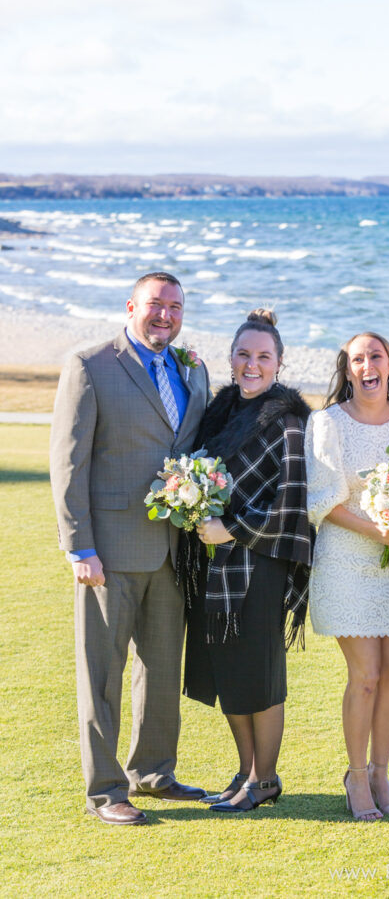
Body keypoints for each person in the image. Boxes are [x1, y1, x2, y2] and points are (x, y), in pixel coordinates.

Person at [49, 272, 211, 825]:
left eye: (175, 306)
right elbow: (68, 463)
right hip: (109, 551)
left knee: (162, 669)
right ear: (131, 307)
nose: (164, 314)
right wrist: (79, 548)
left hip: (173, 550)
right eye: (155, 304)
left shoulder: (194, 369)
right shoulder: (91, 365)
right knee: (102, 671)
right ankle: (105, 790)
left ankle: (154, 772)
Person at [180, 309, 313, 813]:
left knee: (259, 671)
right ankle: (244, 771)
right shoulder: (218, 413)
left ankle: (265, 779)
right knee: (227, 666)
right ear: (231, 359)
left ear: (279, 363)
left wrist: (232, 528)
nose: (252, 365)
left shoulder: (290, 420)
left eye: (263, 356)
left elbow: (293, 501)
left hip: (263, 561)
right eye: (243, 354)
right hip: (213, 562)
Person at [305, 332, 389, 821]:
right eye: (358, 359)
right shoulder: (327, 423)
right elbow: (322, 501)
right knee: (368, 676)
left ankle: (381, 771)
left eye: (376, 356)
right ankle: (355, 776)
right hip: (345, 563)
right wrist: (380, 530)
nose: (368, 365)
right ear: (348, 369)